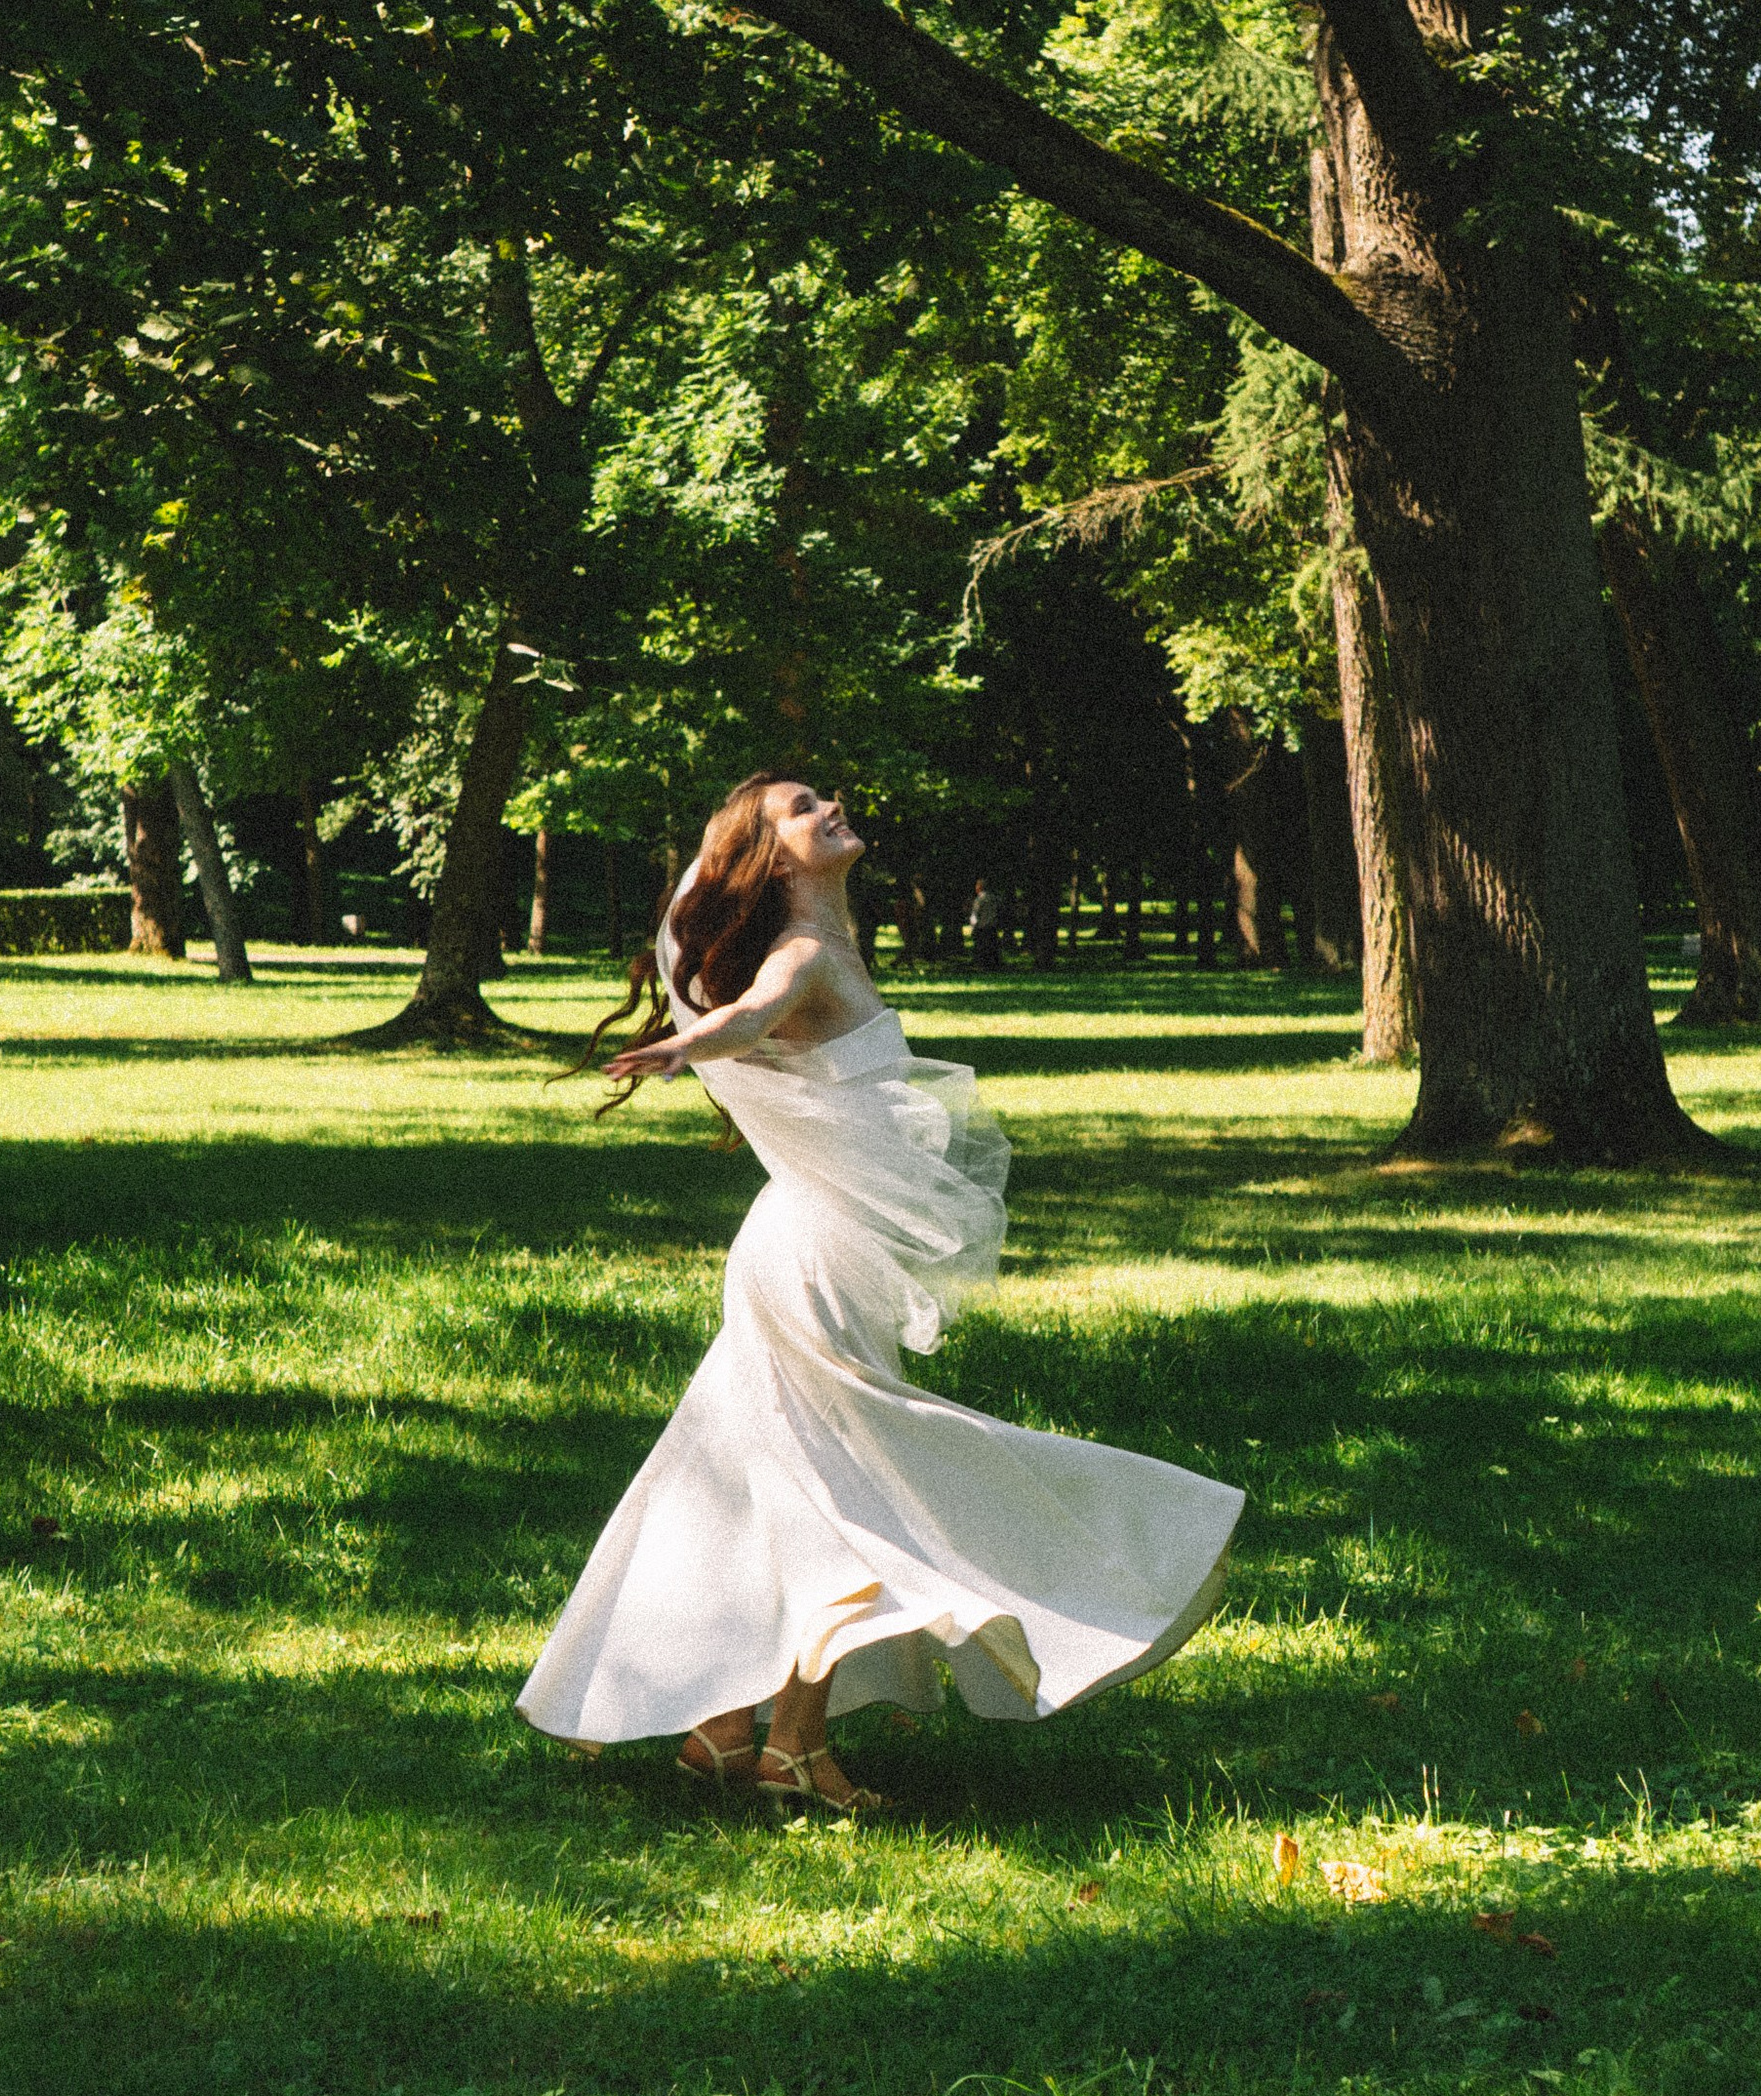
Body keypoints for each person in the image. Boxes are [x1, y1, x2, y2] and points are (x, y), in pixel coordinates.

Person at [518, 774, 1242, 1816]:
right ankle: (792, 1747)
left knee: (780, 1479)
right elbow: (751, 1014)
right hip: (812, 1250)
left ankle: (729, 1729)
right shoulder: (802, 954)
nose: (831, 808)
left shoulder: (831, 941)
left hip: (812, 1240)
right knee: (847, 1486)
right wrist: (691, 1043)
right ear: (771, 855)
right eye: (802, 807)